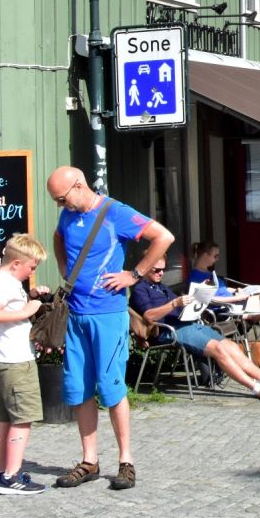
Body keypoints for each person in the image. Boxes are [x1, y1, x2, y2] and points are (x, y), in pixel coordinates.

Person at [46, 164, 175, 491]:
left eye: (62, 199)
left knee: (111, 386)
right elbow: (58, 237)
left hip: (108, 315)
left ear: (78, 186)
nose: (61, 206)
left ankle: (126, 461)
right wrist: (64, 268)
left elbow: (163, 236)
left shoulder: (115, 212)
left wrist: (135, 273)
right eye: (57, 202)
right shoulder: (67, 216)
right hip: (76, 315)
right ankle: (89, 461)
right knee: (79, 388)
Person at [130, 261, 260, 398]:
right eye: (157, 270)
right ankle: (257, 388)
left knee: (229, 345)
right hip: (168, 330)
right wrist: (174, 304)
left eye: (163, 270)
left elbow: (181, 303)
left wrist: (198, 294)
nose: (161, 273)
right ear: (145, 269)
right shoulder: (140, 290)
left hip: (185, 323)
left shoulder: (160, 286)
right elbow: (149, 316)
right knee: (218, 350)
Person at [0, 234, 52, 495]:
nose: (32, 272)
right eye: (31, 267)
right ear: (15, 263)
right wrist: (29, 309)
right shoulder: (6, 283)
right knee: (22, 419)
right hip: (15, 361)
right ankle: (12, 477)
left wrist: (31, 296)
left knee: (2, 418)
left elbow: (4, 308)